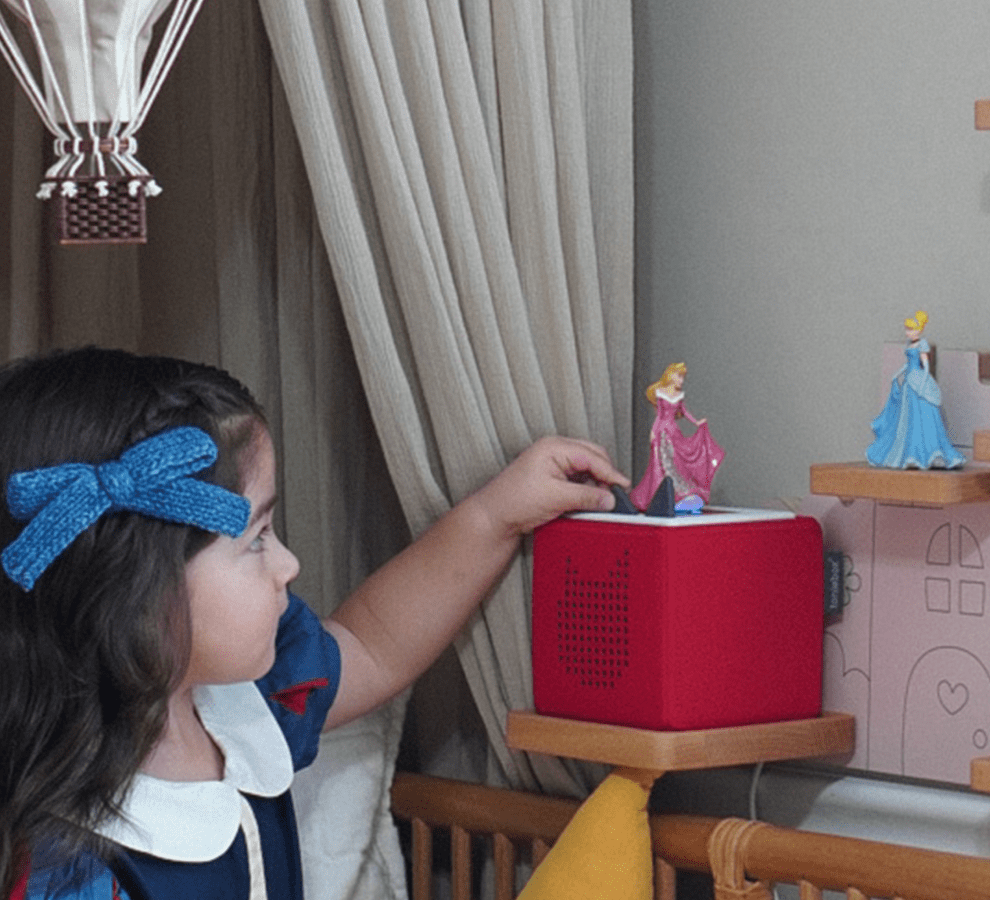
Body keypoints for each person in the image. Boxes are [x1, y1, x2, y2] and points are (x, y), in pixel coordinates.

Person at [0, 347, 628, 900]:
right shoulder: (73, 870)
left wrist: (496, 516)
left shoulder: (247, 702)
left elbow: (373, 644)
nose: (289, 565)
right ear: (136, 591)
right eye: (257, 537)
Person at [865, 311, 965, 470]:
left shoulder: (922, 345)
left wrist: (923, 382)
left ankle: (927, 451)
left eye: (912, 329)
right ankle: (908, 450)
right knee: (907, 416)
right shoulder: (909, 345)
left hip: (918, 379)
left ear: (919, 330)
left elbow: (925, 366)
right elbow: (908, 364)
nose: (909, 332)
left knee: (922, 415)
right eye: (908, 329)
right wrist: (897, 374)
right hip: (909, 381)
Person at [626, 362, 724, 514]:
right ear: (671, 375)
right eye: (679, 376)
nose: (681, 380)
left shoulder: (679, 396)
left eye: (683, 377)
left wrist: (696, 422)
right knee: (660, 463)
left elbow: (684, 412)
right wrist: (653, 431)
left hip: (674, 432)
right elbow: (659, 416)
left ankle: (681, 495)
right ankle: (656, 496)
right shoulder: (660, 392)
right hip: (662, 431)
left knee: (677, 461)